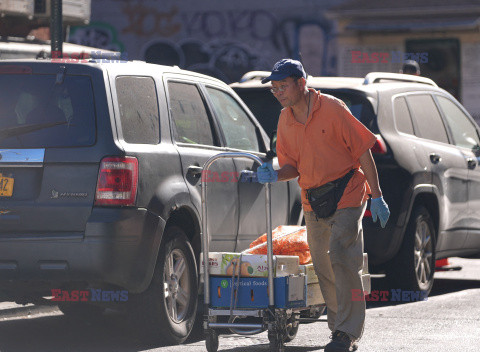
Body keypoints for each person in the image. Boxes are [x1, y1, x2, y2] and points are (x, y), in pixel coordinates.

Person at [256, 59, 390, 352]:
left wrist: (377, 195)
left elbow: (363, 150)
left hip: (348, 190)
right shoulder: (284, 119)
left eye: (283, 85)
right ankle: (338, 330)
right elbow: (293, 166)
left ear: (301, 83)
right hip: (313, 199)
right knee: (324, 265)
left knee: (342, 256)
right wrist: (275, 174)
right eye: (274, 88)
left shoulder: (332, 108)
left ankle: (347, 331)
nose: (278, 91)